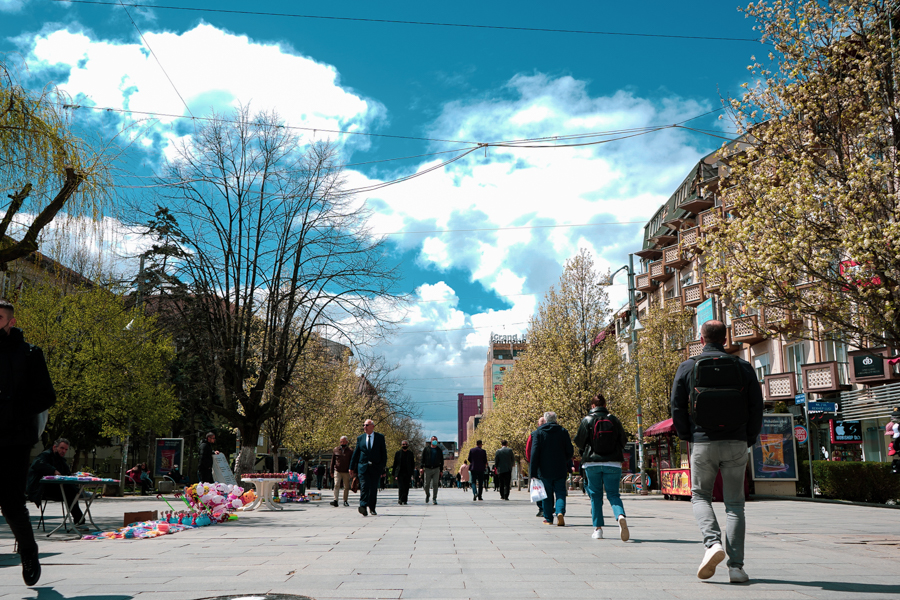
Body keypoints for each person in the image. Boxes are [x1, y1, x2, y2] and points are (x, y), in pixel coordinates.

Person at [671, 320, 764, 584]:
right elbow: (757, 406)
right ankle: (736, 568)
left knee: (700, 496)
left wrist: (687, 436)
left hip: (702, 441)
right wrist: (749, 437)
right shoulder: (743, 367)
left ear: (701, 339)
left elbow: (677, 407)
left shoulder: (688, 366)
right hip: (736, 440)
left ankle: (712, 544)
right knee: (735, 506)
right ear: (726, 339)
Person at [1, 298, 56, 586]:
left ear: (11, 322)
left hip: (13, 438)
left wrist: (13, 411)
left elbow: (46, 396)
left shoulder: (30, 354)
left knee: (10, 502)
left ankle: (29, 552)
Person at [574, 393, 629, 541]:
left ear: (592, 406)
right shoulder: (614, 419)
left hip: (592, 464)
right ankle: (620, 516)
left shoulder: (587, 420)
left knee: (595, 496)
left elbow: (579, 441)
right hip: (613, 463)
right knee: (613, 494)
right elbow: (623, 440)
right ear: (605, 405)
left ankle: (598, 530)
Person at [28, 439, 88, 526]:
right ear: (54, 447)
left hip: (57, 488)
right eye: (62, 448)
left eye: (66, 449)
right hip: (41, 489)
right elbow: (37, 464)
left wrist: (76, 476)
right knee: (71, 492)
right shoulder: (45, 455)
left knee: (73, 491)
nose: (64, 451)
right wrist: (53, 471)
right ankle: (79, 520)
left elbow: (66, 474)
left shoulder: (61, 460)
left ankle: (79, 519)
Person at [530, 411, 574, 526]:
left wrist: (533, 472)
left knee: (547, 495)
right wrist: (564, 460)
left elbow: (534, 453)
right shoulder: (563, 431)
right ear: (556, 420)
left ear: (545, 420)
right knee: (560, 492)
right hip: (560, 468)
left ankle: (549, 519)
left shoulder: (538, 433)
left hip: (544, 470)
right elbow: (570, 451)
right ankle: (560, 512)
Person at [349, 419, 387, 516]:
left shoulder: (380, 437)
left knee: (373, 488)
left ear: (372, 426)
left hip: (375, 467)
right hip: (363, 467)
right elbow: (356, 454)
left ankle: (372, 508)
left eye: (367, 425)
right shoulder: (360, 438)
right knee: (364, 486)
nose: (364, 427)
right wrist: (351, 467)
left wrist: (382, 467)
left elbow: (384, 453)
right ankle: (363, 506)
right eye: (364, 425)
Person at [526, 416, 546, 518]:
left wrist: (531, 462)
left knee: (538, 487)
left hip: (537, 464)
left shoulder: (533, 434)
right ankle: (548, 507)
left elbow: (528, 450)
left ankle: (541, 508)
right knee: (548, 486)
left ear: (538, 425)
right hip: (548, 464)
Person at [330, 436, 353, 507]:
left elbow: (352, 461)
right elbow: (332, 461)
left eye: (344, 441)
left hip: (346, 471)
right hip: (337, 470)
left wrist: (353, 470)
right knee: (336, 484)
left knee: (346, 486)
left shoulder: (350, 451)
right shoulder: (336, 450)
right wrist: (331, 471)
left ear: (347, 442)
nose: (342, 443)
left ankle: (345, 500)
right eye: (341, 441)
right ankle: (335, 500)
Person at [421, 435, 444, 504]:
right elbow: (422, 458)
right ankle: (427, 494)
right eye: (433, 439)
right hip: (427, 468)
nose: (434, 441)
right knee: (426, 484)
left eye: (436, 439)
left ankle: (434, 498)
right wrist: (421, 467)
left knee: (435, 484)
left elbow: (441, 461)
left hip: (436, 469)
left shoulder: (439, 450)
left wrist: (441, 470)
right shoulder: (426, 449)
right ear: (431, 441)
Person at [393, 440, 415, 505]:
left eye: (406, 444)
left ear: (408, 445)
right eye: (403, 444)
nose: (404, 445)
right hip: (400, 473)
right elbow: (395, 463)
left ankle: (405, 500)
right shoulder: (398, 453)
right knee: (401, 487)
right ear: (401, 445)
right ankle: (400, 499)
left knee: (406, 487)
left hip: (407, 472)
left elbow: (412, 463)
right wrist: (394, 473)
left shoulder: (410, 453)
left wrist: (412, 473)